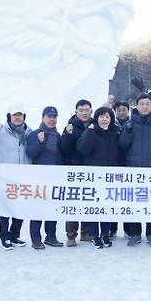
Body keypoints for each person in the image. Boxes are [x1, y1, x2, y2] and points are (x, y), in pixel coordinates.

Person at [119, 93, 151, 247]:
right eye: (141, 104)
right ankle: (135, 234)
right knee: (134, 203)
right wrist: (127, 131)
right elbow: (122, 145)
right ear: (137, 106)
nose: (144, 106)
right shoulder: (129, 123)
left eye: (147, 103)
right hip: (134, 171)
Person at [0, 105, 32, 250]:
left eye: (20, 115)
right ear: (9, 117)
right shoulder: (1, 131)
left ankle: (15, 235)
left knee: (20, 207)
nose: (17, 117)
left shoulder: (29, 132)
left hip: (23, 176)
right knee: (5, 207)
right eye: (14, 115)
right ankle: (5, 237)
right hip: (5, 176)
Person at [77, 107, 120, 249]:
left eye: (107, 116)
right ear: (96, 118)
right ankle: (95, 235)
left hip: (110, 176)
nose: (104, 119)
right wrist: (89, 132)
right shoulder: (90, 131)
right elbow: (83, 149)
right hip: (93, 176)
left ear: (111, 119)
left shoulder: (116, 131)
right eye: (101, 116)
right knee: (94, 208)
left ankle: (105, 234)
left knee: (107, 206)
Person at [26, 106, 64, 250]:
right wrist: (39, 142)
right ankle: (35, 238)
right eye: (49, 116)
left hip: (54, 177)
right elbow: (30, 153)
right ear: (43, 117)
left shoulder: (58, 135)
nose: (52, 119)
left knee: (52, 209)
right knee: (37, 209)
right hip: (38, 178)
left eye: (54, 117)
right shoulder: (35, 134)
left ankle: (51, 236)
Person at [61, 99, 94, 246]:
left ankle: (86, 232)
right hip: (74, 170)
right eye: (81, 110)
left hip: (91, 169)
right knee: (73, 203)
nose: (84, 113)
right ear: (76, 112)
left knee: (89, 201)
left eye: (87, 110)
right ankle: (71, 235)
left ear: (91, 111)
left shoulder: (96, 124)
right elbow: (64, 149)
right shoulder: (70, 127)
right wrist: (68, 135)